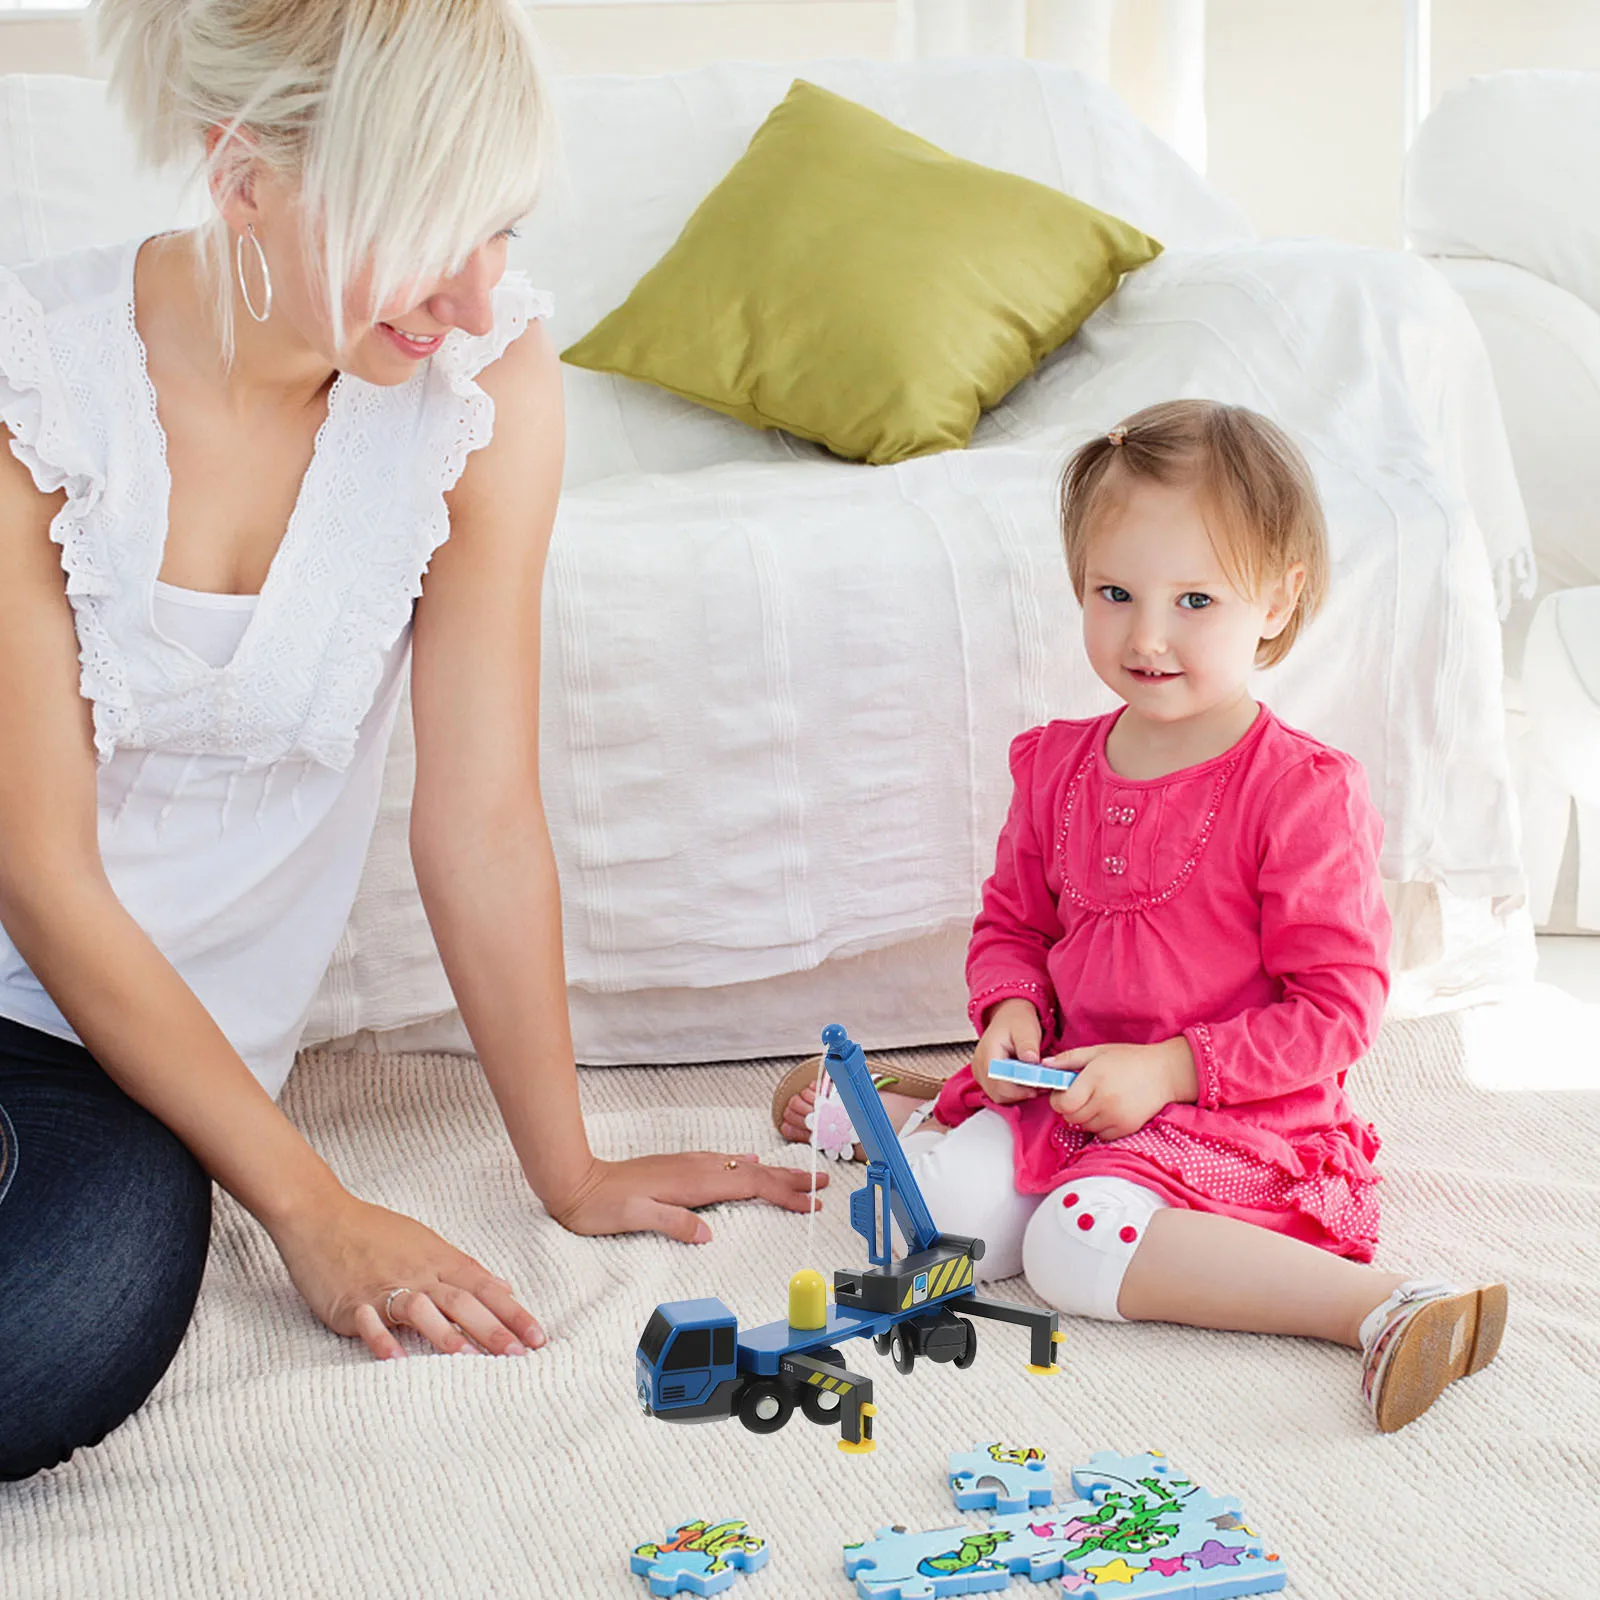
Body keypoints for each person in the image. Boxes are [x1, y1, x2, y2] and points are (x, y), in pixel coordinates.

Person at [0, 0, 821, 1482]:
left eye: (497, 226)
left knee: (63, 1313)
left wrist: (564, 1169)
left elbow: (482, 816)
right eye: (426, 228)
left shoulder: (482, 384)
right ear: (243, 175)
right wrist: (314, 1212)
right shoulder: (32, 392)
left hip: (96, 1081)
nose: (473, 286)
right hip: (25, 971)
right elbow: (43, 878)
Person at [777, 399, 1506, 1432]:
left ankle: (1385, 1309)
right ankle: (908, 1105)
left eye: (1195, 599)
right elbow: (1010, 928)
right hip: (1069, 1088)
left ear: (1276, 600)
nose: (1147, 634)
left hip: (1227, 1110)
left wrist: (1168, 1069)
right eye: (1113, 592)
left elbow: (1335, 1011)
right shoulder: (1057, 764)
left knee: (1074, 1248)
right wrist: (1010, 1013)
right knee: (935, 1225)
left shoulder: (1299, 790)